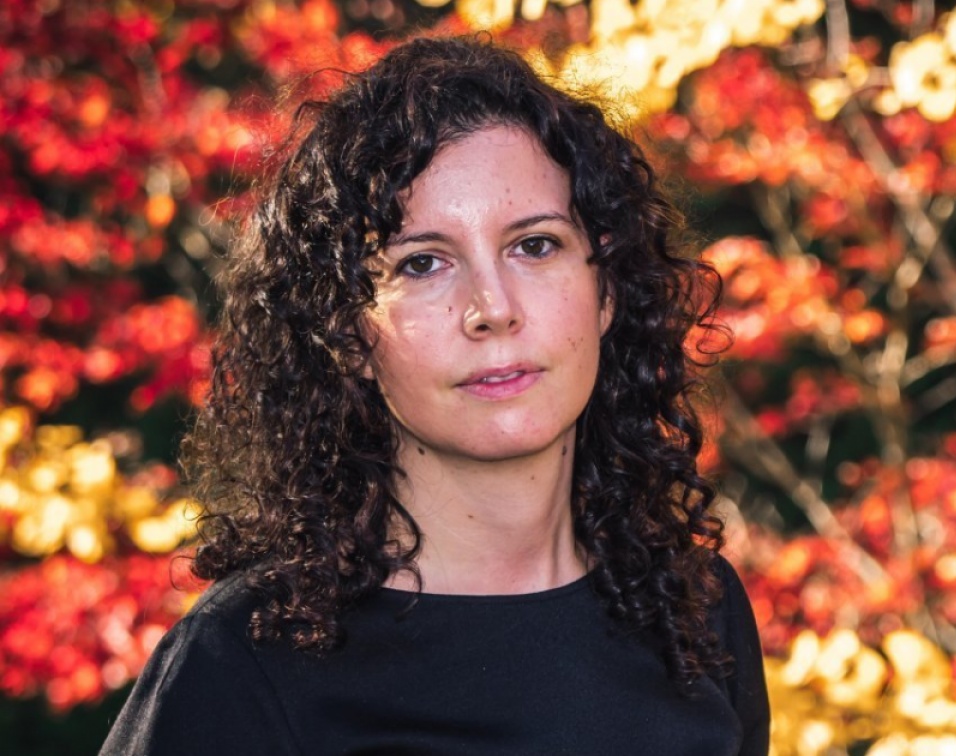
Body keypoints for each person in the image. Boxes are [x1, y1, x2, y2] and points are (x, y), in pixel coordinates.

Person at [100, 35, 769, 755]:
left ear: (605, 289)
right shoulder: (245, 662)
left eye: (534, 246)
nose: (492, 308)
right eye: (422, 263)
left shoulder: (696, 611)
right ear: (346, 333)